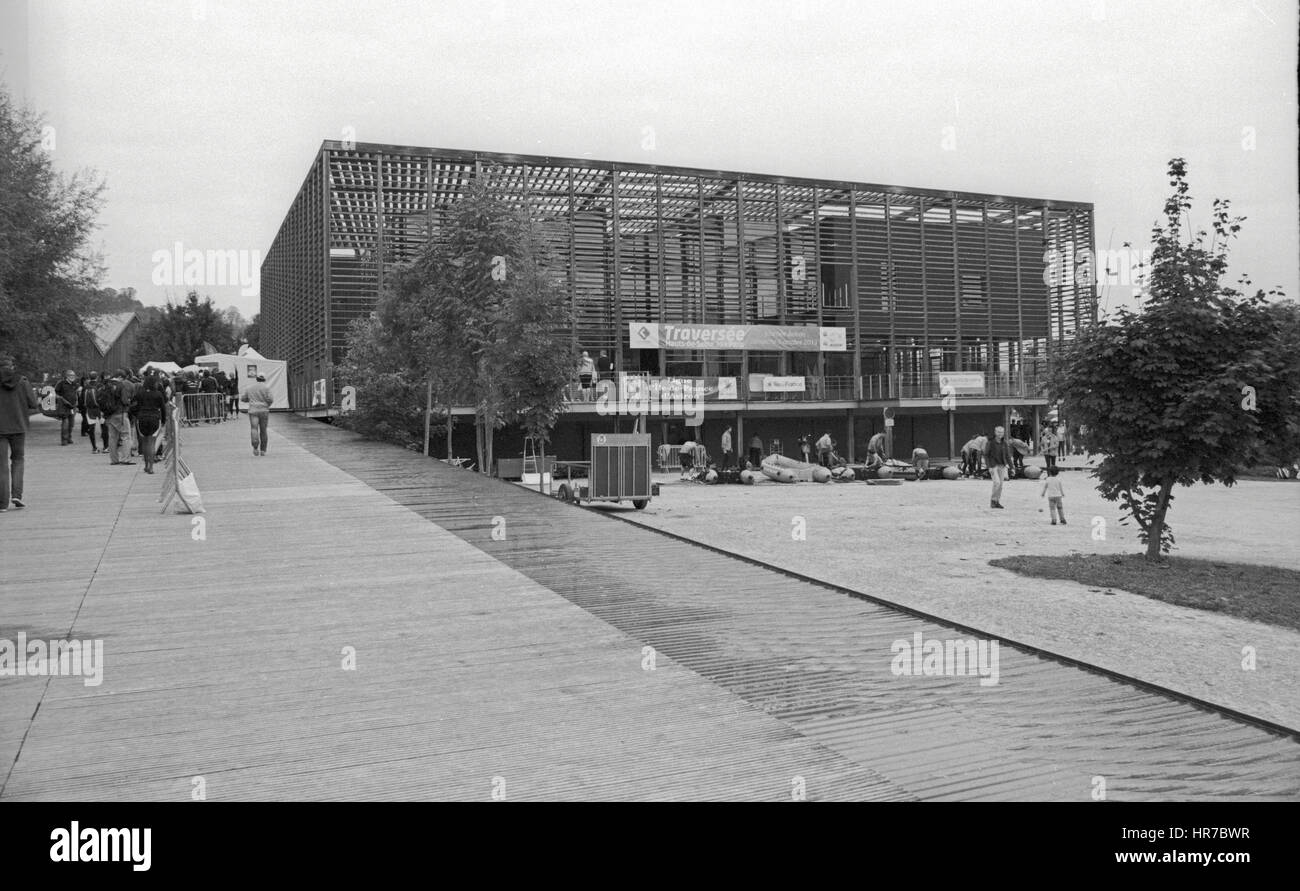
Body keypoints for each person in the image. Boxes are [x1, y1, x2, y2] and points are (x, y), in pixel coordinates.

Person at [0, 354, 41, 511]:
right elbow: (33, 403)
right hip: (18, 426)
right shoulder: (22, 381)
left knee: (1, 465)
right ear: (11, 366)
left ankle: (2, 503)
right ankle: (17, 495)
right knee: (18, 459)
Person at [130, 377, 168, 474]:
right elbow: (163, 408)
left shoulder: (139, 394)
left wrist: (137, 414)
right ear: (154, 384)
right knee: (152, 442)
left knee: (145, 443)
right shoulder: (158, 394)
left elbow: (131, 406)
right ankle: (151, 466)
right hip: (154, 418)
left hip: (142, 418)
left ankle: (146, 465)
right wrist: (163, 420)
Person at [102, 371, 134, 466]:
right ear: (120, 377)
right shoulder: (121, 385)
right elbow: (124, 400)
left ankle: (114, 459)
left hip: (109, 414)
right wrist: (129, 402)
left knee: (112, 437)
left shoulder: (106, 385)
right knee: (126, 436)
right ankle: (125, 459)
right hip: (121, 413)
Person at [241, 373, 275, 456]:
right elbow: (270, 399)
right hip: (264, 410)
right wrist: (267, 405)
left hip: (253, 410)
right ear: (264, 379)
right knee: (263, 431)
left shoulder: (249, 387)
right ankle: (263, 450)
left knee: (254, 428)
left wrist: (248, 400)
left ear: (257, 379)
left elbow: (243, 398)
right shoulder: (266, 388)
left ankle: (255, 448)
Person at [984, 425, 1012, 509]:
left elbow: (1008, 456)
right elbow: (986, 455)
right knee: (997, 483)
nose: (1000, 434)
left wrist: (1012, 467)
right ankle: (993, 500)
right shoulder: (990, 442)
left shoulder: (1005, 443)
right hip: (993, 466)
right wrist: (989, 466)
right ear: (995, 433)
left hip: (1002, 466)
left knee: (1001, 485)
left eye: (1002, 432)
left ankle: (997, 501)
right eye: (999, 432)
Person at [54, 369, 80, 445]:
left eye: (73, 375)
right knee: (65, 423)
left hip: (73, 406)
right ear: (67, 376)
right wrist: (60, 399)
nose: (73, 377)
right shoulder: (61, 383)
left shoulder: (75, 384)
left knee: (71, 424)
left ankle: (69, 438)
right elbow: (56, 393)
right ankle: (64, 440)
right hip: (64, 406)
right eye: (71, 375)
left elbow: (77, 393)